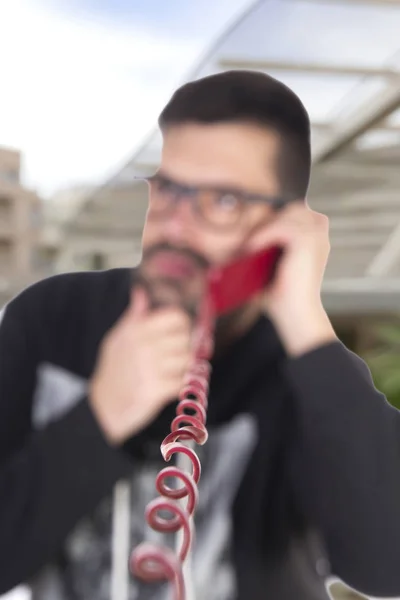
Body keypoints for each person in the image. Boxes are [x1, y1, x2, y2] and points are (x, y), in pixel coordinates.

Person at [0, 70, 399, 600]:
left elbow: (387, 566)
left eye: (223, 201)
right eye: (169, 188)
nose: (175, 226)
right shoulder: (51, 318)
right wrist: (100, 416)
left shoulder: (302, 367)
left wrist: (307, 326)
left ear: (284, 226)